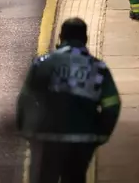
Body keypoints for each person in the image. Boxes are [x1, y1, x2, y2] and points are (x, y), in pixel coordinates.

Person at [17, 18, 121, 183]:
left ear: (61, 37)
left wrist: (26, 130)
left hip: (47, 136)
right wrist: (100, 134)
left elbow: (26, 99)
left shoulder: (42, 64)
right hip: (82, 139)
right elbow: (112, 105)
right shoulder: (98, 68)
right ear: (85, 39)